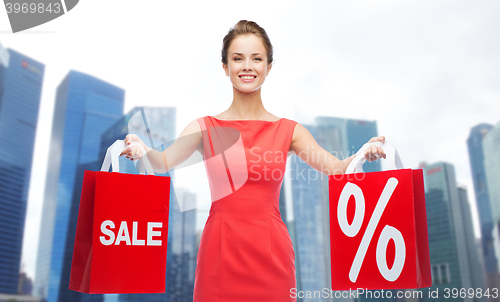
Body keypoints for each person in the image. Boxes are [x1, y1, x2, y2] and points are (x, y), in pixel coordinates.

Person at [119, 20, 386, 302]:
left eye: (256, 58)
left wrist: (362, 153)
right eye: (238, 58)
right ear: (225, 67)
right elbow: (161, 162)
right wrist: (141, 149)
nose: (247, 66)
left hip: (272, 258)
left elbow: (336, 169)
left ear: (268, 67)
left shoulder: (289, 131)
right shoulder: (204, 127)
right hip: (219, 258)